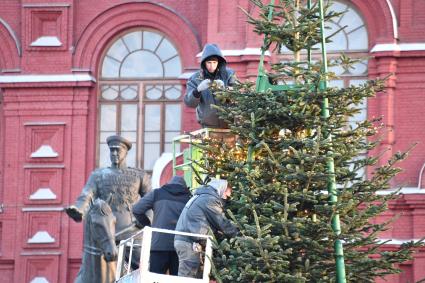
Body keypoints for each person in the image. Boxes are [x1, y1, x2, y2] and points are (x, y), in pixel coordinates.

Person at [65, 135, 152, 242]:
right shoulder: (98, 175)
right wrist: (79, 210)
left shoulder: (140, 175)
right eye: (112, 150)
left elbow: (150, 199)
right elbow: (86, 195)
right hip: (105, 231)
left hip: (132, 231)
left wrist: (147, 219)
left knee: (138, 258)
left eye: (118, 150)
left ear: (125, 152)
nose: (114, 153)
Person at [174, 178, 238, 278]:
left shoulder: (201, 196)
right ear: (221, 190)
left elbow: (203, 222)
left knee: (194, 276)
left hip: (186, 240)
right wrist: (240, 236)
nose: (226, 199)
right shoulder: (209, 200)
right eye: (226, 196)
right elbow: (222, 222)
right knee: (187, 277)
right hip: (189, 243)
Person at [132, 175, 192, 275]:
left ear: (168, 184)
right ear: (185, 187)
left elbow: (136, 209)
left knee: (155, 279)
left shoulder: (157, 193)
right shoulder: (189, 198)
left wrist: (148, 225)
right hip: (180, 248)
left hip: (158, 245)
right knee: (177, 281)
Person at [184, 43, 236, 129]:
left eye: (214, 62)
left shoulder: (229, 75)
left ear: (219, 62)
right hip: (207, 128)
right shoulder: (195, 79)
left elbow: (237, 96)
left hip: (229, 126)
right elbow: (189, 103)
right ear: (204, 63)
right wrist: (197, 91)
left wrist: (225, 90)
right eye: (209, 63)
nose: (212, 66)